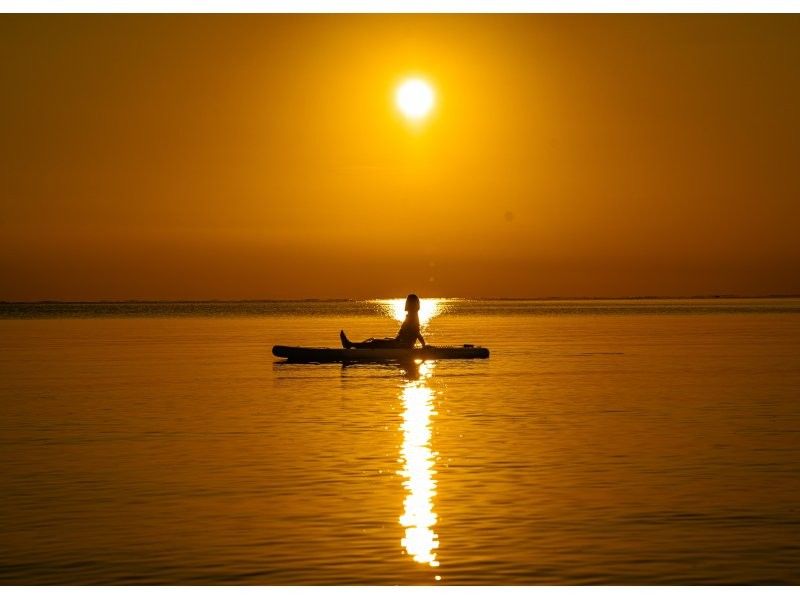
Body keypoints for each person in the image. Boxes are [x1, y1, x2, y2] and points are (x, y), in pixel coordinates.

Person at [340, 294, 426, 349]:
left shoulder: (413, 317)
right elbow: (414, 333)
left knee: (375, 342)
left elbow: (416, 333)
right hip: (401, 343)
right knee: (381, 340)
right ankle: (353, 345)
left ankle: (350, 345)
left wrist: (424, 346)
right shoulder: (412, 315)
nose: (406, 303)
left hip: (402, 345)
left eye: (408, 302)